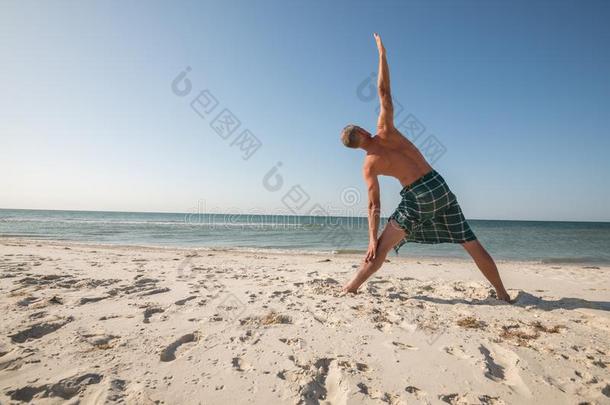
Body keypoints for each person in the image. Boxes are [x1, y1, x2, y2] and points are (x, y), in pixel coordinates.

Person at [341, 33, 510, 302]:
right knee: (471, 242)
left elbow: (374, 206)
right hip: (439, 185)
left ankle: (351, 287)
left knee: (382, 248)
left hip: (417, 197)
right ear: (362, 130)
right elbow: (384, 92)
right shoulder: (386, 130)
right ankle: (502, 294)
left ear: (354, 147)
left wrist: (372, 239)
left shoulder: (368, 165)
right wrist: (382, 54)